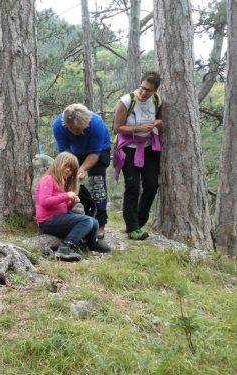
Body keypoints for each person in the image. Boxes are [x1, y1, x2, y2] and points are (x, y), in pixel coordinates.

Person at [113, 71, 163, 240]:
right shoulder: (127, 101)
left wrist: (158, 123)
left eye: (148, 90)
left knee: (151, 185)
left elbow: (157, 117)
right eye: (142, 87)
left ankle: (140, 221)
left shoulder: (157, 101)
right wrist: (139, 129)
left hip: (148, 147)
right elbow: (118, 127)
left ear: (155, 91)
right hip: (129, 147)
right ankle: (132, 227)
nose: (143, 92)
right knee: (133, 185)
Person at [35, 152, 111, 262]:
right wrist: (66, 195)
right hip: (47, 222)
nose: (67, 170)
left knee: (94, 221)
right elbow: (44, 202)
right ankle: (65, 247)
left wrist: (71, 203)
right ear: (57, 164)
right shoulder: (48, 180)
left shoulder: (62, 184)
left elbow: (63, 208)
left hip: (59, 218)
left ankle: (91, 244)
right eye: (66, 165)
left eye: (71, 169)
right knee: (86, 221)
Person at [52, 103, 111, 239]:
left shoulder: (96, 124)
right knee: (67, 179)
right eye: (72, 129)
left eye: (79, 129)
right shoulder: (58, 125)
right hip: (74, 152)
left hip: (99, 152)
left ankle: (100, 223)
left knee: (97, 184)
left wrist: (82, 169)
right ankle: (72, 216)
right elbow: (64, 153)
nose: (75, 132)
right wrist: (71, 169)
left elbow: (94, 154)